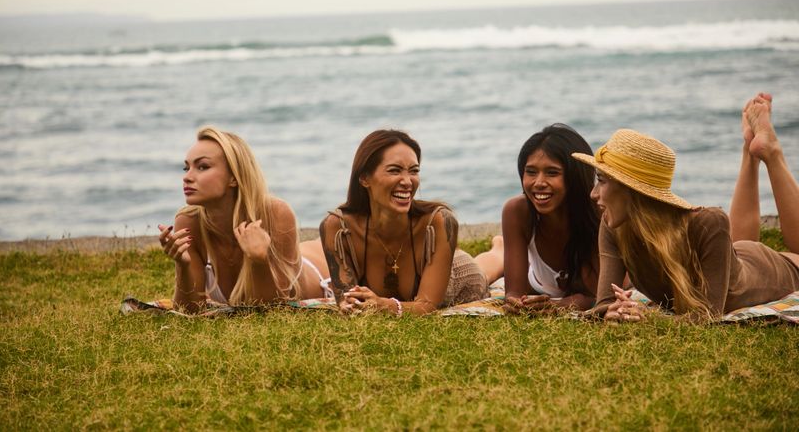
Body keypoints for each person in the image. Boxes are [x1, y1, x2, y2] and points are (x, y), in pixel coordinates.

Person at [573, 94, 799, 321]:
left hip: (768, 270)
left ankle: (771, 152)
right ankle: (749, 150)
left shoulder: (710, 221)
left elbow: (708, 315)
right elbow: (603, 305)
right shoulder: (614, 226)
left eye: (601, 181)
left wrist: (648, 318)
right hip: (733, 261)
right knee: (734, 255)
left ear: (631, 190)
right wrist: (610, 312)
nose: (593, 193)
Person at [318, 129, 503, 315]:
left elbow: (427, 305)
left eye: (414, 171)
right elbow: (346, 299)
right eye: (394, 171)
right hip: (433, 262)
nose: (407, 181)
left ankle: (499, 250)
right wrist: (349, 304)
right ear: (365, 178)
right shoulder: (337, 228)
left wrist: (384, 305)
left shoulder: (437, 221)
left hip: (459, 276)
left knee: (486, 271)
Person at [158, 126, 330, 312]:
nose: (187, 177)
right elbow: (188, 310)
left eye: (203, 167)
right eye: (187, 167)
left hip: (322, 267)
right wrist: (182, 265)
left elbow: (274, 310)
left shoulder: (274, 213)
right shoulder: (189, 221)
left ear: (234, 177)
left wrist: (259, 261)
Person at [501, 124, 601, 314]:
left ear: (575, 176)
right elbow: (514, 292)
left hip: (617, 280)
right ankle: (497, 249)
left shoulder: (598, 213)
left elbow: (592, 295)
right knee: (492, 264)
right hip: (537, 279)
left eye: (552, 173)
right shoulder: (517, 211)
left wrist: (555, 307)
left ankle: (498, 248)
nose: (538, 183)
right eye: (530, 172)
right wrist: (515, 303)